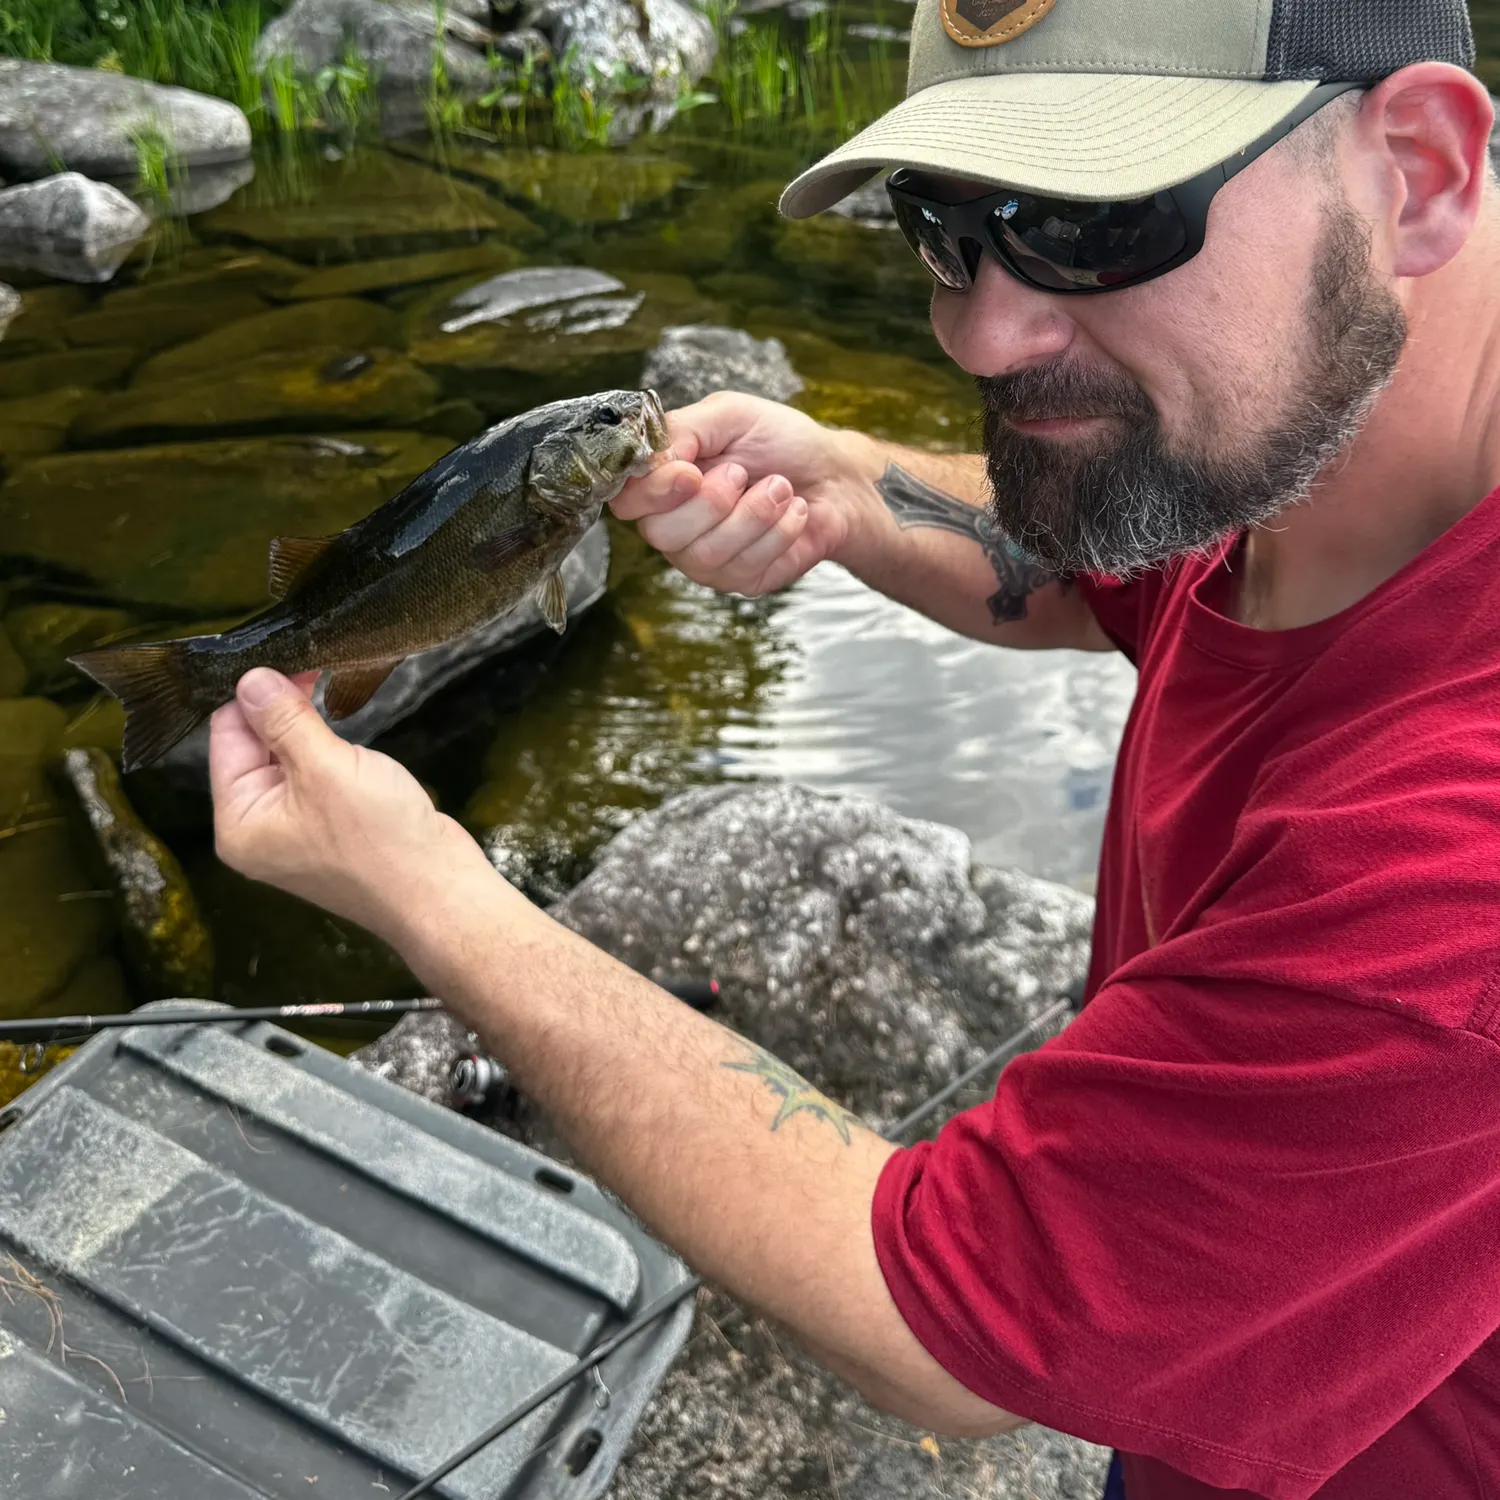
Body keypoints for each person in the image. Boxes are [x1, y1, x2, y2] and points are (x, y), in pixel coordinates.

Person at [208, 0, 1500, 1494]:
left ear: (1418, 167)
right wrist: (847, 485)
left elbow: (950, 1317)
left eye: (1089, 225)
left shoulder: (1460, 861)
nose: (976, 329)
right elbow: (1125, 571)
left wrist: (429, 890)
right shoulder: (1325, 440)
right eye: (947, 224)